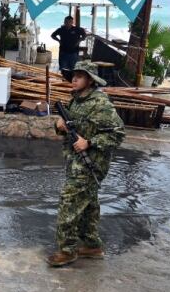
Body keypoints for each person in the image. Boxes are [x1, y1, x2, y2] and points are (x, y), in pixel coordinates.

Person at [48, 61, 125, 267]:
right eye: (73, 75)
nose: (74, 79)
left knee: (69, 201)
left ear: (90, 80)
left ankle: (67, 250)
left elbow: (117, 135)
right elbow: (71, 127)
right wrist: (60, 126)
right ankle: (92, 245)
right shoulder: (76, 101)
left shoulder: (100, 103)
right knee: (88, 204)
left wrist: (89, 142)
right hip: (76, 161)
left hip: (91, 163)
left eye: (79, 76)